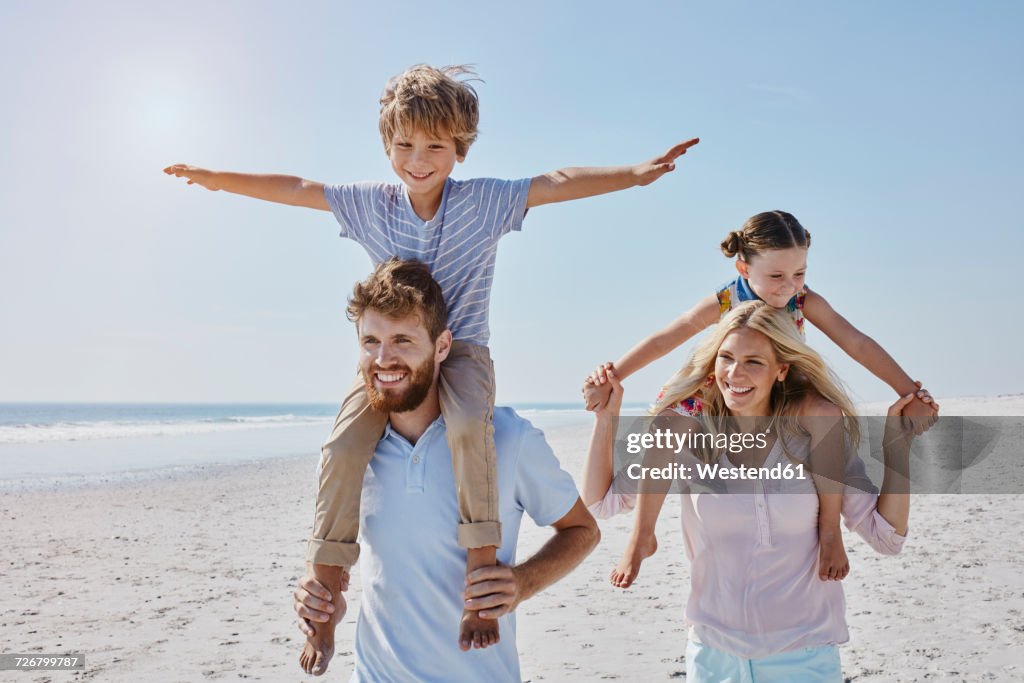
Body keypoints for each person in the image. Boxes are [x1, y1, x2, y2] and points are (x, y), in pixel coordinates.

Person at [163, 63, 695, 665]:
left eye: (435, 146)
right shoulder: (370, 205)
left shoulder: (484, 201)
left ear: (459, 148)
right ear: (387, 145)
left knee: (470, 429)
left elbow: (556, 181)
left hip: (462, 354)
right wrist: (213, 177)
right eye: (405, 145)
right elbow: (296, 188)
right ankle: (328, 592)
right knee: (339, 450)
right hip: (395, 354)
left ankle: (479, 580)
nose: (419, 159)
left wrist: (635, 174)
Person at [583, 210, 935, 586]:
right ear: (743, 267)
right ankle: (641, 536)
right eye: (777, 276)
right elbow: (666, 337)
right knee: (666, 428)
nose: (788, 286)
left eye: (799, 274)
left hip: (787, 381)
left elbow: (856, 342)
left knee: (826, 415)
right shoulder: (726, 299)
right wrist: (613, 375)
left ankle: (830, 529)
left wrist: (909, 391)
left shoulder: (803, 300)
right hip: (723, 384)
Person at [292, 258, 599, 679]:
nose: (383, 359)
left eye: (402, 340)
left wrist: (522, 583)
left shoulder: (510, 439)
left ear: (441, 346)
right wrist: (320, 597)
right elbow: (352, 565)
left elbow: (583, 531)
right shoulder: (350, 453)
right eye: (370, 342)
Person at [582, 301, 919, 681]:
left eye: (754, 362)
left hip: (803, 654)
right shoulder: (691, 436)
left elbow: (886, 537)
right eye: (726, 357)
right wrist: (605, 418)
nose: (735, 373)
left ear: (781, 370)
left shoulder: (813, 436)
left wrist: (897, 447)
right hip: (713, 657)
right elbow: (602, 500)